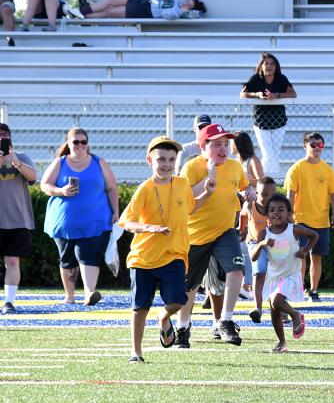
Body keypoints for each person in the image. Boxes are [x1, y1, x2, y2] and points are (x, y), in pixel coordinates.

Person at [118, 136, 213, 364]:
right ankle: (136, 352)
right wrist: (149, 227)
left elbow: (190, 207)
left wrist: (207, 194)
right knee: (140, 307)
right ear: (149, 160)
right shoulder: (145, 189)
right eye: (161, 159)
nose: (167, 164)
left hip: (174, 254)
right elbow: (126, 222)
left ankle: (163, 318)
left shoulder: (181, 184)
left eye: (171, 159)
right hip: (144, 258)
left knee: (179, 301)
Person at [175, 123, 255, 348]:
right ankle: (183, 327)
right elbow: (184, 198)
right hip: (195, 235)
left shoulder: (234, 166)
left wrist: (249, 192)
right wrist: (208, 176)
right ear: (203, 145)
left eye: (226, 144)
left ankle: (226, 320)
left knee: (237, 270)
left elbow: (245, 186)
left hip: (224, 232)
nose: (223, 149)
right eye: (217, 144)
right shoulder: (191, 167)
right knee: (188, 288)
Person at [41, 128, 119, 305]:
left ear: (88, 144)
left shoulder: (99, 162)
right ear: (68, 144)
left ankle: (89, 293)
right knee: (66, 258)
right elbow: (45, 185)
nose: (80, 145)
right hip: (64, 222)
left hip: (95, 221)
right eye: (76, 142)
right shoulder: (60, 163)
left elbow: (112, 188)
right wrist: (61, 191)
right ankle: (69, 296)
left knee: (88, 254)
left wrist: (116, 211)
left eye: (83, 142)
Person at [250, 194, 317, 353]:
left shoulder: (293, 229)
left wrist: (305, 251)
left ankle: (295, 315)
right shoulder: (263, 234)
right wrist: (262, 244)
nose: (276, 213)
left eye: (281, 209)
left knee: (277, 300)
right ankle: (281, 342)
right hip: (273, 277)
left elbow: (314, 235)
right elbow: (253, 258)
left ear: (289, 214)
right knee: (274, 311)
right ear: (267, 215)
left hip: (291, 274)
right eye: (272, 210)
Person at [285, 132, 334, 302]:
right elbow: (290, 194)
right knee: (300, 256)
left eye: (320, 145)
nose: (317, 148)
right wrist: (290, 216)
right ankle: (298, 290)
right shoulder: (296, 168)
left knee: (316, 257)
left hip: (321, 221)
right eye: (313, 144)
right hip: (300, 220)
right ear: (305, 146)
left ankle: (314, 291)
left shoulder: (328, 170)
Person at [240, 53, 297, 178]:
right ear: (261, 65)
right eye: (266, 63)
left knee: (274, 154)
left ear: (276, 66)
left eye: (272, 64)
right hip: (261, 122)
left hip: (279, 122)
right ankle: (267, 181)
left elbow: (293, 94)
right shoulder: (255, 78)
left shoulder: (281, 78)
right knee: (268, 154)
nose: (269, 66)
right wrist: (257, 95)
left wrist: (277, 95)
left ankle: (267, 181)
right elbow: (243, 94)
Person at [0, 123, 37, 314]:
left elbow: (33, 177)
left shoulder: (21, 157)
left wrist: (17, 163)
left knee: (13, 261)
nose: (1, 137)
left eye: (4, 134)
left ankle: (9, 301)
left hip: (17, 220)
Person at [232, 130, 264, 299]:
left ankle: (248, 285)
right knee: (240, 245)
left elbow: (261, 181)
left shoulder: (252, 160)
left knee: (248, 244)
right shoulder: (237, 162)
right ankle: (243, 284)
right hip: (238, 204)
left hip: (249, 204)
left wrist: (250, 191)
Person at [242, 176, 277, 323]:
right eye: (263, 194)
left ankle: (279, 308)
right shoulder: (251, 206)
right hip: (255, 243)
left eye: (271, 195)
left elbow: (288, 221)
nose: (267, 198)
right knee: (259, 272)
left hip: (273, 244)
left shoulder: (276, 208)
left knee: (277, 274)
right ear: (257, 193)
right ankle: (258, 308)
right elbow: (243, 215)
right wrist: (241, 228)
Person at [80, 0, 206, 20]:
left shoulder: (177, 12)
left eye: (189, 5)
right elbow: (161, 2)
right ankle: (81, 12)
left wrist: (181, 10)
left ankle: (81, 16)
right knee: (109, 0)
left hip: (143, 11)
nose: (186, 3)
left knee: (109, 12)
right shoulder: (177, 1)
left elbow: (164, 14)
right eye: (188, 1)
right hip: (143, 1)